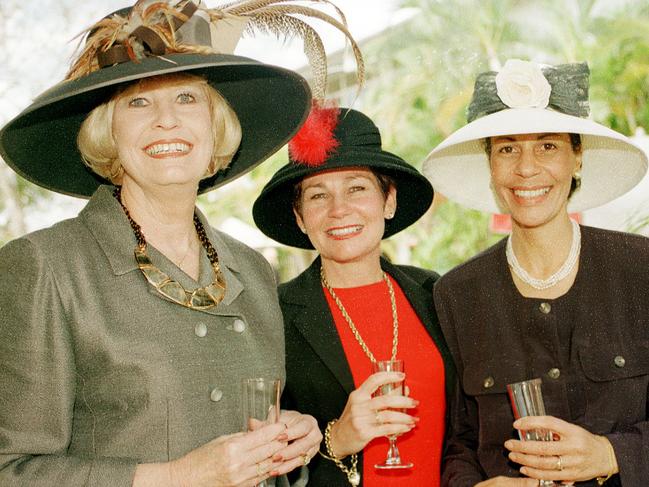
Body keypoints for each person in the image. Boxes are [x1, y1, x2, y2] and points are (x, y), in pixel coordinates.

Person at [0, 1, 364, 485]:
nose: (167, 121)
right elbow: (13, 470)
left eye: (188, 99)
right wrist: (181, 474)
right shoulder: (46, 266)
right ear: (107, 130)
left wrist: (287, 441)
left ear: (216, 126)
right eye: (138, 102)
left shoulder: (252, 271)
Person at [423, 59, 649, 486]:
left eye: (547, 146)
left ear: (577, 158)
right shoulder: (457, 294)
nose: (527, 168)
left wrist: (612, 453)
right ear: (490, 166)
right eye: (508, 148)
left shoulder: (641, 268)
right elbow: (460, 442)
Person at [252, 106, 455, 486]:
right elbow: (267, 467)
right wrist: (337, 439)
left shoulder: (435, 295)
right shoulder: (273, 316)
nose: (338, 210)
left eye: (357, 187)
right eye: (317, 195)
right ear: (299, 216)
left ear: (388, 201)